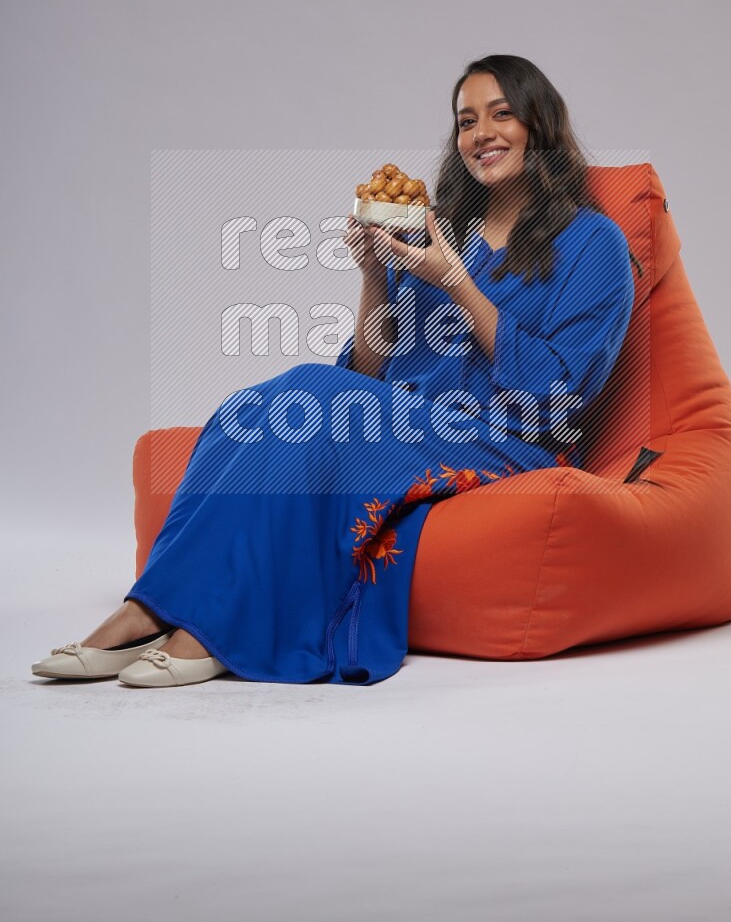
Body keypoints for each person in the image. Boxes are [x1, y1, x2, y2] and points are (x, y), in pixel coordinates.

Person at [31, 54, 636, 689]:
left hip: (501, 439)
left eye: (500, 114)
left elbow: (559, 393)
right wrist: (376, 277)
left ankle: (217, 630)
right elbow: (369, 370)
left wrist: (456, 281)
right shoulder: (435, 231)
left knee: (312, 393)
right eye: (465, 121)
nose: (479, 133)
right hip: (401, 419)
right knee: (251, 407)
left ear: (538, 124)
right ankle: (146, 608)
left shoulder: (593, 243)